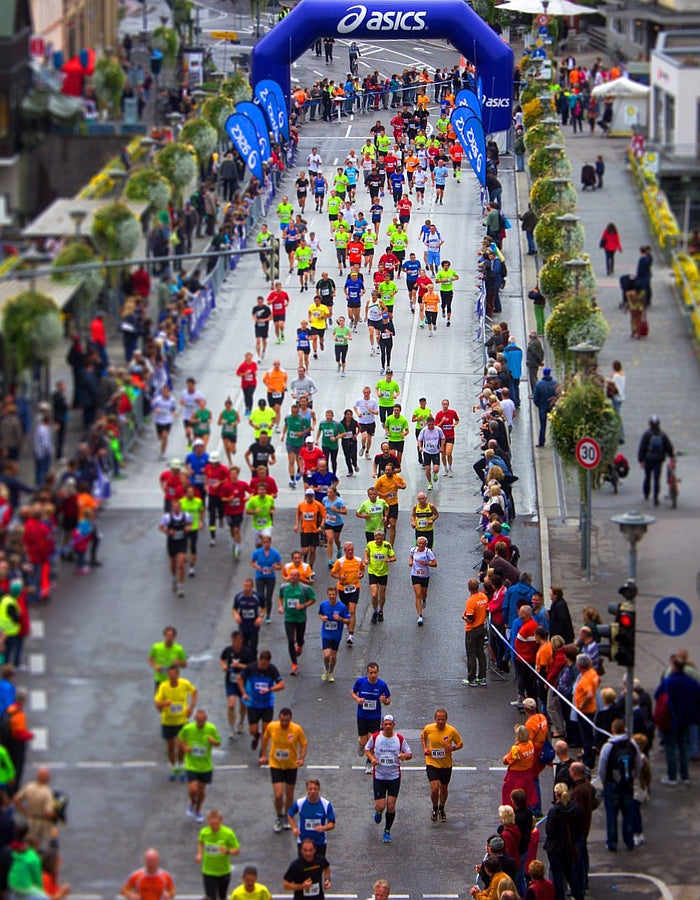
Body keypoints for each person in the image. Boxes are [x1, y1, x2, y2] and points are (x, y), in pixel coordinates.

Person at [365, 714, 412, 843]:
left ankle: (387, 830)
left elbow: (409, 753)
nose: (388, 726)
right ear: (382, 725)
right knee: (380, 806)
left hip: (394, 777)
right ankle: (379, 812)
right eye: (385, 724)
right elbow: (367, 749)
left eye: (390, 724)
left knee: (391, 806)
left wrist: (404, 756)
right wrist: (372, 759)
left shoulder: (399, 739)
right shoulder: (376, 737)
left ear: (394, 725)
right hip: (379, 777)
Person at [654, 654, 700, 785]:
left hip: (670, 720)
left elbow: (658, 695)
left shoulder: (669, 682)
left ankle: (672, 776)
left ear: (674, 667)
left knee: (671, 748)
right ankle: (685, 776)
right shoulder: (691, 682)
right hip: (687, 719)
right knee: (684, 746)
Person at [260, 707, 307, 833]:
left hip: (291, 766)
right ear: (279, 718)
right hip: (276, 765)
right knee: (279, 794)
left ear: (290, 719)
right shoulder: (272, 727)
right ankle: (279, 816)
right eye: (282, 720)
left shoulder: (296, 729)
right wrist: (263, 755)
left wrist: (301, 758)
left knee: (289, 794)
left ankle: (287, 816)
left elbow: (303, 744)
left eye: (286, 721)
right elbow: (265, 739)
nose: (284, 723)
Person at [154, 665, 197, 781]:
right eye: (170, 674)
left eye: (174, 674)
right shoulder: (163, 686)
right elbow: (157, 704)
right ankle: (173, 766)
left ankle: (181, 765)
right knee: (170, 747)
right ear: (168, 675)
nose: (172, 676)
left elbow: (194, 692)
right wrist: (164, 704)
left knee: (181, 746)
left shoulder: (184, 684)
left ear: (178, 674)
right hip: (168, 721)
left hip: (181, 720)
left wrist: (191, 707)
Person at [178, 708, 221, 823]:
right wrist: (184, 747)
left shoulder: (211, 728)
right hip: (191, 764)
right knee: (193, 789)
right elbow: (180, 739)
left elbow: (218, 742)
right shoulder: (188, 728)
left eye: (202, 721)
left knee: (201, 792)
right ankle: (192, 802)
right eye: (198, 721)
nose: (200, 723)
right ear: (195, 719)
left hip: (205, 766)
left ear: (206, 719)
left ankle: (198, 810)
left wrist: (213, 742)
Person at [237, 650, 285, 750]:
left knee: (266, 730)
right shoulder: (251, 668)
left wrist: (270, 689)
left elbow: (281, 685)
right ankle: (256, 735)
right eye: (262, 663)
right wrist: (244, 693)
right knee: (252, 730)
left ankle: (262, 754)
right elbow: (239, 678)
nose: (264, 666)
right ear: (259, 660)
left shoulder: (272, 669)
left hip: (267, 704)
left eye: (266, 664)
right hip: (254, 704)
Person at [421, 708, 463, 822]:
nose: (440, 722)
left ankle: (441, 808)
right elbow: (423, 736)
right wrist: (425, 748)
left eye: (443, 719)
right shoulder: (429, 728)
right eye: (438, 719)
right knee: (435, 789)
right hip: (432, 763)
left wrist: (453, 748)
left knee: (444, 789)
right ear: (435, 719)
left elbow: (460, 743)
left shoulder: (451, 731)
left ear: (446, 719)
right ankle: (434, 808)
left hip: (446, 764)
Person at [544, 784, 584, 900]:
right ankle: (579, 896)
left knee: (557, 875)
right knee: (570, 873)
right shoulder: (575, 809)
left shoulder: (554, 812)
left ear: (556, 794)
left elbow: (550, 831)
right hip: (569, 846)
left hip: (556, 847)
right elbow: (579, 827)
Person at [278, 569, 316, 676]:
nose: (293, 577)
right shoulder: (284, 587)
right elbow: (280, 597)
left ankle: (300, 644)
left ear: (298, 577)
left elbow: (313, 599)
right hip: (289, 618)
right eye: (291, 575)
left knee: (300, 638)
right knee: (290, 640)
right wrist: (280, 606)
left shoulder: (305, 588)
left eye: (295, 575)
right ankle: (294, 664)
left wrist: (303, 606)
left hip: (300, 618)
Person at [196, 809, 240, 900]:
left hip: (223, 872)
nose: (214, 827)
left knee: (222, 897)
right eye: (211, 824)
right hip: (208, 872)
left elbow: (237, 850)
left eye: (216, 824)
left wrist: (227, 851)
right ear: (208, 822)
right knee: (210, 898)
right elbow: (200, 842)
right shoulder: (204, 832)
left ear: (221, 821)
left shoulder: (228, 833)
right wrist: (199, 854)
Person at [352, 663, 391, 762]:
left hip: (375, 716)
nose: (373, 675)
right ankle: (361, 744)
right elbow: (352, 692)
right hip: (362, 716)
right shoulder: (361, 682)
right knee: (365, 741)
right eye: (371, 673)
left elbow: (388, 700)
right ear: (367, 673)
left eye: (375, 673)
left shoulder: (382, 685)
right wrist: (358, 699)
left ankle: (369, 762)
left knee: (373, 741)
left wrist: (384, 700)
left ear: (378, 673)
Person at [219, 631, 255, 739]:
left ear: (241, 640)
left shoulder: (247, 652)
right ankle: (231, 728)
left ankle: (241, 721)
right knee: (231, 704)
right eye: (234, 641)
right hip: (231, 681)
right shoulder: (228, 650)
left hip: (243, 682)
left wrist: (239, 665)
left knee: (243, 704)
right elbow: (222, 658)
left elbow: (252, 666)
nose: (236, 643)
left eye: (238, 641)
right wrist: (224, 665)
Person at [331, 542, 365, 645]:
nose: (350, 552)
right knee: (346, 609)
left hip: (354, 587)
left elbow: (362, 569)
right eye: (348, 550)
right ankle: (347, 623)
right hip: (343, 588)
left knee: (352, 610)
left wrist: (361, 575)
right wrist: (339, 577)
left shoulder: (358, 560)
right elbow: (333, 573)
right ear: (345, 551)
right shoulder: (340, 562)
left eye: (352, 550)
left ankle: (351, 634)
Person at [287, 778, 336, 849]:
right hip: (303, 843)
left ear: (319, 790)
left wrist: (323, 828)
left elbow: (332, 824)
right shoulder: (300, 803)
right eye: (310, 789)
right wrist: (294, 828)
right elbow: (290, 814)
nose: (313, 791)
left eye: (315, 789)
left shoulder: (326, 804)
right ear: (307, 790)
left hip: (320, 843)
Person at [637, 415, 674, 506]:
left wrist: (641, 460)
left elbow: (642, 448)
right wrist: (671, 456)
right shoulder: (662, 435)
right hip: (659, 460)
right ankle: (656, 497)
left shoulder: (647, 435)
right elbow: (668, 447)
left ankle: (646, 494)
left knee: (647, 477)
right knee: (657, 479)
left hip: (648, 459)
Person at [159, 498, 192, 597]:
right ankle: (174, 578)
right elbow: (161, 526)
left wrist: (188, 528)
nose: (176, 508)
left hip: (182, 542)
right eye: (174, 507)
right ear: (172, 508)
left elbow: (190, 524)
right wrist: (167, 531)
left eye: (178, 506)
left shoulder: (186, 516)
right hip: (172, 542)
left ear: (180, 507)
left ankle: (181, 586)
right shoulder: (167, 517)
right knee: (173, 563)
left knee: (181, 564)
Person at [318, 586, 350, 681]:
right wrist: (322, 618)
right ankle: (326, 668)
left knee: (333, 656)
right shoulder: (323, 605)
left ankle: (331, 672)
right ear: (327, 595)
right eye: (330, 595)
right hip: (326, 633)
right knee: (327, 655)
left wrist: (340, 619)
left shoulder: (342, 607)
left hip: (336, 634)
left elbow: (348, 621)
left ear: (336, 595)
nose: (331, 596)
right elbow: (320, 613)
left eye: (333, 594)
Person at [364, 530, 396, 624]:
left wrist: (389, 559)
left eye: (380, 539)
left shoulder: (387, 545)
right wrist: (366, 559)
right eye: (377, 539)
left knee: (382, 595)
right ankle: (375, 611)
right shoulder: (370, 544)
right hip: (372, 571)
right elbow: (366, 552)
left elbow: (394, 557)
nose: (378, 541)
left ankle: (381, 610)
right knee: (374, 594)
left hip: (383, 572)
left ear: (383, 538)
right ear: (375, 538)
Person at [502, 724, 537, 809]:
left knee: (509, 794)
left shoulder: (516, 749)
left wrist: (505, 757)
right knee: (527, 794)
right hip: (527, 774)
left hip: (516, 776)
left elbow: (506, 761)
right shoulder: (530, 744)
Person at [462, 578, 489, 686]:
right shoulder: (483, 597)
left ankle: (471, 678)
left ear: (469, 589)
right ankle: (482, 677)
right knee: (480, 653)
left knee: (471, 654)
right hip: (482, 627)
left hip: (472, 630)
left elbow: (470, 618)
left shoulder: (471, 601)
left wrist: (464, 618)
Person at [149, 626, 187, 694]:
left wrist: (179, 663)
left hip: (172, 681)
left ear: (174, 637)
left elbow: (184, 665)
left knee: (168, 702)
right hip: (160, 679)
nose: (169, 638)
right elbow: (150, 659)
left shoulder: (179, 649)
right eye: (168, 635)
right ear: (164, 636)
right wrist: (155, 666)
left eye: (171, 636)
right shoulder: (156, 647)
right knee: (159, 703)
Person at [409, 536, 436, 626]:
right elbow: (411, 556)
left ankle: (424, 600)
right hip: (415, 574)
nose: (420, 545)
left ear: (425, 545)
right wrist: (411, 562)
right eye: (419, 543)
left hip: (425, 575)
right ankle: (420, 616)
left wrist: (426, 563)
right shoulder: (413, 550)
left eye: (422, 544)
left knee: (423, 594)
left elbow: (435, 564)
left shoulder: (428, 552)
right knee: (418, 594)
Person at [231, 579, 265, 653]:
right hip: (243, 626)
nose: (246, 588)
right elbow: (234, 609)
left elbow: (264, 608)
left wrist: (260, 617)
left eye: (248, 586)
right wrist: (236, 615)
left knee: (253, 648)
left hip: (254, 626)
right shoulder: (239, 597)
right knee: (244, 648)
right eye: (245, 586)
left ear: (252, 587)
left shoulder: (257, 597)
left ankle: (253, 662)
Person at [533, 368, 558, 448]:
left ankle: (541, 442)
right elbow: (558, 396)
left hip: (542, 407)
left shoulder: (539, 384)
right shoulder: (555, 383)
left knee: (542, 426)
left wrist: (539, 405)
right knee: (554, 424)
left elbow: (536, 397)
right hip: (552, 406)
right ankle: (556, 441)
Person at [434, 399, 459, 477]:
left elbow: (457, 420)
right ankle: (445, 468)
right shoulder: (439, 414)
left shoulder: (452, 412)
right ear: (442, 405)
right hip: (442, 437)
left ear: (448, 405)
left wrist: (454, 424)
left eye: (446, 404)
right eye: (444, 404)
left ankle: (450, 468)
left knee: (449, 453)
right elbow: (436, 426)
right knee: (443, 454)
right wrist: (442, 421)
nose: (445, 406)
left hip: (450, 435)